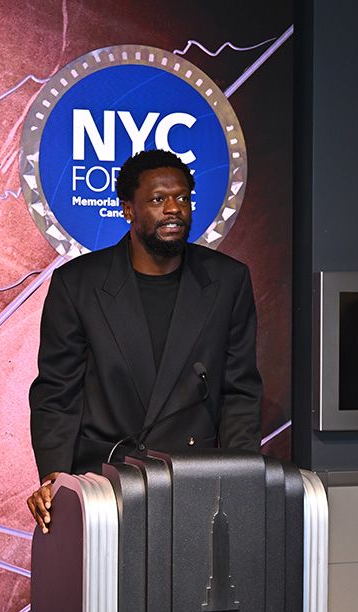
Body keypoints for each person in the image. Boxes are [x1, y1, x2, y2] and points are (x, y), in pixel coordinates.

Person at [26, 149, 262, 532]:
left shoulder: (228, 281)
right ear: (128, 210)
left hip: (193, 484)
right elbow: (57, 392)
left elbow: (240, 392)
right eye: (157, 199)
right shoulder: (78, 284)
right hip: (103, 487)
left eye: (182, 197)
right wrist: (56, 477)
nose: (174, 209)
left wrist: (240, 477)